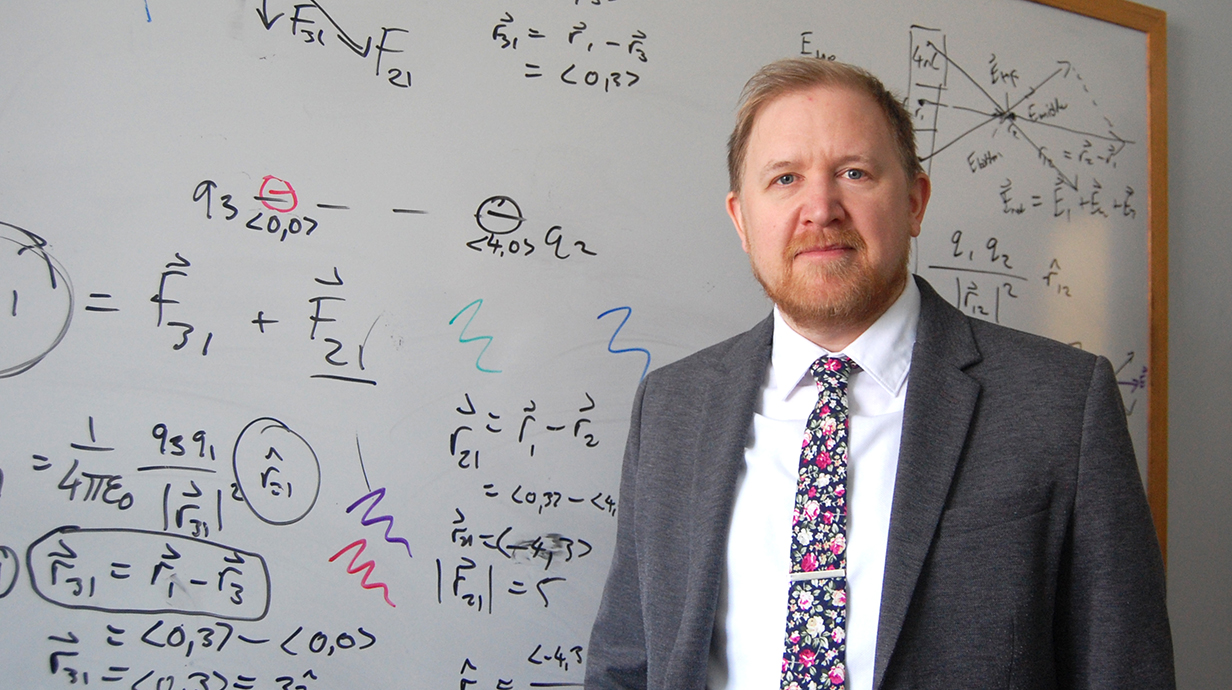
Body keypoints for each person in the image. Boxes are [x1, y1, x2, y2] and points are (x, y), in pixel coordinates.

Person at [584, 58, 1174, 690]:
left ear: (915, 201)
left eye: (854, 173)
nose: (820, 208)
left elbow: (1123, 670)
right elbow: (628, 663)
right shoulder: (672, 406)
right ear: (740, 220)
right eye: (784, 179)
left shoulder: (1062, 402)